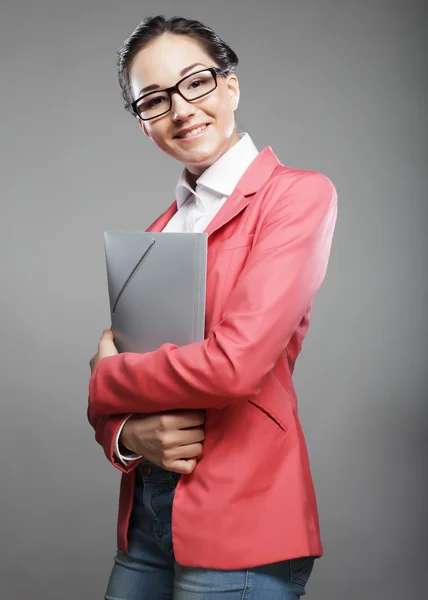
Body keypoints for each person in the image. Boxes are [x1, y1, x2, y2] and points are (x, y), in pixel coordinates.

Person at [88, 14, 337, 600]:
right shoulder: (161, 229)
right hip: (147, 520)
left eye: (195, 82)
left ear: (230, 85)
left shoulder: (297, 196)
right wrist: (126, 434)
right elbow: (118, 398)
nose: (180, 109)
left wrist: (107, 376)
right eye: (152, 99)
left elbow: (235, 365)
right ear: (144, 125)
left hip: (241, 513)